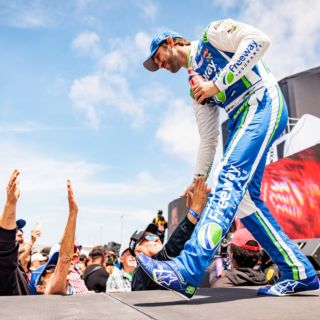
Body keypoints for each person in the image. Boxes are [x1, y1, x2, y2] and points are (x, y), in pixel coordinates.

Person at [137, 18, 319, 298]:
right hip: (241, 117)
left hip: (263, 101)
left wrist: (216, 84)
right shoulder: (194, 86)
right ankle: (299, 271)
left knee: (230, 176)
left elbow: (260, 41)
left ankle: (188, 267)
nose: (158, 65)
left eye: (157, 57)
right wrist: (198, 179)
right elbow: (209, 138)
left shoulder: (211, 35)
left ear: (170, 42)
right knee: (245, 201)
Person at [131, 177, 207, 291]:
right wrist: (194, 212)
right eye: (149, 237)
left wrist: (198, 212)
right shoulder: (141, 272)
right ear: (138, 252)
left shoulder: (171, 263)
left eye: (155, 235)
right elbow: (170, 250)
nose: (156, 238)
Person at [30, 180, 81, 295]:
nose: (57, 271)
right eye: (51, 270)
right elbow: (64, 259)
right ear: (40, 288)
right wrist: (73, 214)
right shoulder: (48, 295)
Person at [0, 170, 31, 295]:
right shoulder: (5, 269)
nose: (20, 235)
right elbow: (4, 254)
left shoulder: (19, 268)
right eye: (14, 231)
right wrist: (11, 204)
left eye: (20, 231)